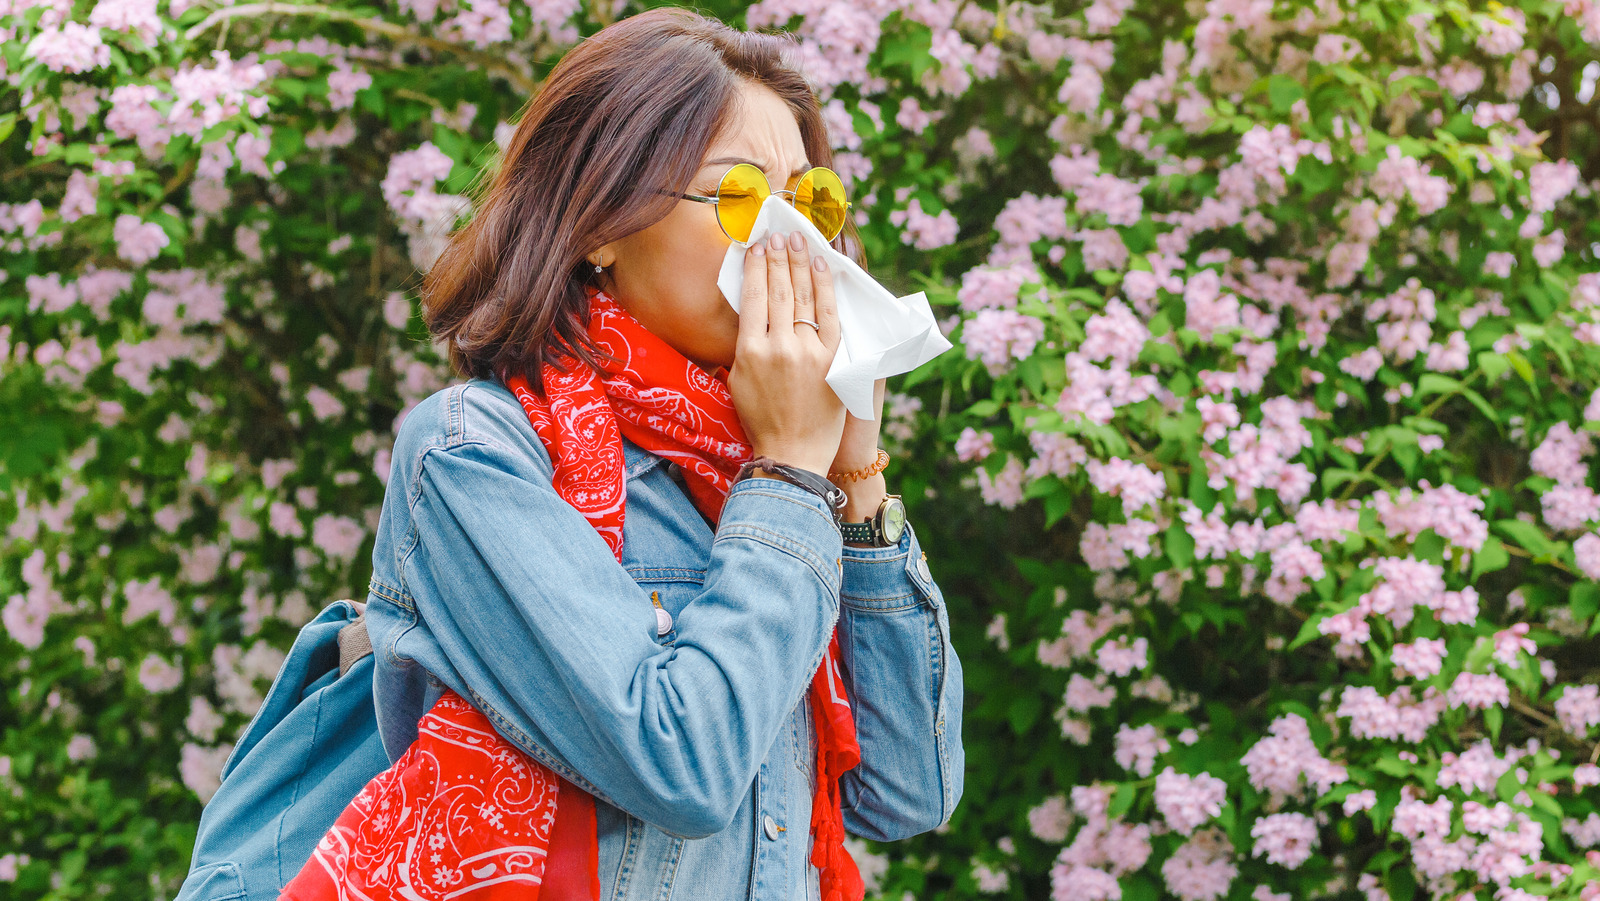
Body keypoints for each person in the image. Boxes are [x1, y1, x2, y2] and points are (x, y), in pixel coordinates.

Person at [283, 9, 963, 900]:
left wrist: (852, 475)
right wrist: (793, 472)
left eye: (809, 201)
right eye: (742, 197)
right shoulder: (475, 453)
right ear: (601, 222)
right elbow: (680, 763)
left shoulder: (753, 474)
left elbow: (907, 791)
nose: (789, 240)